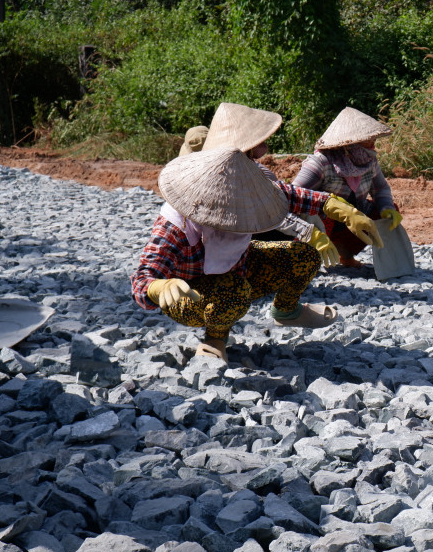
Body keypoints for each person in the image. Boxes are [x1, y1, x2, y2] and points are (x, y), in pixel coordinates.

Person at [130, 147, 383, 363]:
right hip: (191, 295)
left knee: (302, 256)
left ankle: (286, 310)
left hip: (239, 267)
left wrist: (335, 206)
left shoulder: (241, 190)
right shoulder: (175, 227)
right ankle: (215, 339)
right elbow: (143, 277)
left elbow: (287, 194)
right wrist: (158, 288)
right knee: (234, 291)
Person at [200, 102, 340, 265]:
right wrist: (307, 232)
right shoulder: (228, 176)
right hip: (223, 251)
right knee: (301, 253)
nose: (265, 139)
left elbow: (282, 195)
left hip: (234, 244)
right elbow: (269, 210)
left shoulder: (252, 168)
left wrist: (323, 204)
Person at [291, 107, 402, 268]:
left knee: (386, 212)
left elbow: (380, 189)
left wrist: (387, 208)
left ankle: (346, 255)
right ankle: (306, 260)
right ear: (350, 144)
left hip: (354, 214)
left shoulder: (369, 162)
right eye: (367, 140)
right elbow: (293, 196)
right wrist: (311, 231)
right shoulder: (320, 163)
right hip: (324, 219)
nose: (373, 144)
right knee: (319, 216)